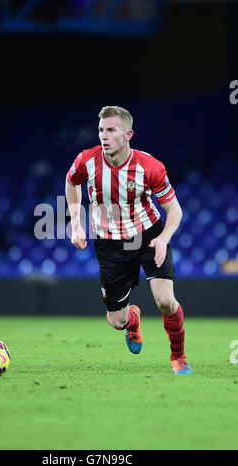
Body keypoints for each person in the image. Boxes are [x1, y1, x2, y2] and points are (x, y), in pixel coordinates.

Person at [65, 105, 193, 375]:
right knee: (117, 321)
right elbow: (71, 181)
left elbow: (175, 210)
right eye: (101, 130)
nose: (104, 135)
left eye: (111, 130)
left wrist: (163, 238)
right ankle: (133, 320)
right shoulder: (86, 161)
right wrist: (76, 224)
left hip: (148, 235)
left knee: (165, 301)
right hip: (109, 243)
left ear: (128, 134)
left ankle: (178, 357)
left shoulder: (150, 167)